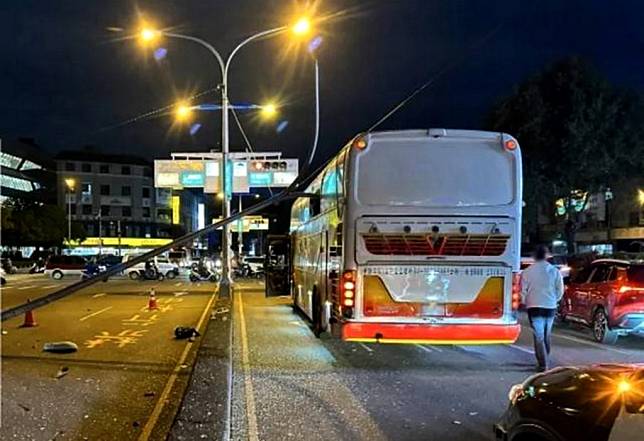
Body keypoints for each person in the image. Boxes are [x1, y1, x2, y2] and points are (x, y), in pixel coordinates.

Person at [521, 245, 564, 372]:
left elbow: (523, 291)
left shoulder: (528, 272)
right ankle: (545, 359)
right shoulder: (554, 271)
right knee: (547, 334)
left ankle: (542, 363)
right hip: (550, 306)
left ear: (534, 256)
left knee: (538, 335)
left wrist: (525, 301)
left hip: (534, 306)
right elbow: (560, 289)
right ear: (546, 256)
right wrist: (554, 300)